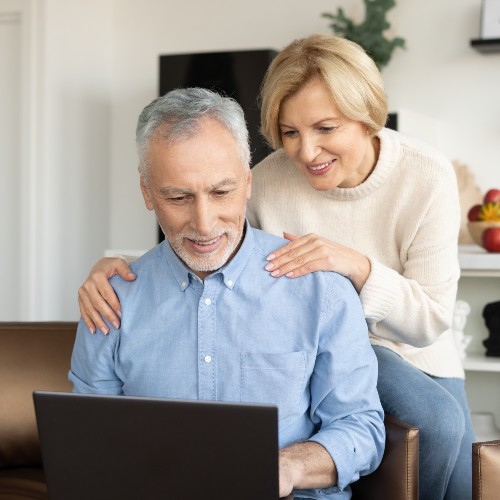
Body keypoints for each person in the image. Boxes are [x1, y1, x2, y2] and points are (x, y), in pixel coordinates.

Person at [77, 34, 475, 500]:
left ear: (367, 117)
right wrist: (118, 268)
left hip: (408, 345)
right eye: (290, 132)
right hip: (309, 333)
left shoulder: (425, 175)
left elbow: (430, 319)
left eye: (325, 128)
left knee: (443, 427)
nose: (307, 152)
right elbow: (205, 245)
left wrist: (354, 267)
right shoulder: (265, 180)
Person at [70, 87, 385, 499]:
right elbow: (90, 439)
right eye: (178, 196)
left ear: (248, 182)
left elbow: (361, 427)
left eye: (221, 192)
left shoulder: (320, 290)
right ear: (147, 193)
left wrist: (287, 467)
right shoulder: (109, 301)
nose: (204, 224)